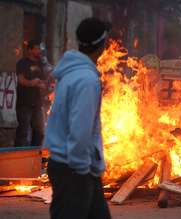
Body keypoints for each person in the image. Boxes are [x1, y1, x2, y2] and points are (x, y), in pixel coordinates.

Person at [44, 18, 112, 219]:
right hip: (75, 169)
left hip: (77, 168)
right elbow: (80, 130)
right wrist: (81, 170)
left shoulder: (72, 73)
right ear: (101, 45)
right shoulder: (86, 79)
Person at [15, 40, 47, 146]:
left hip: (37, 104)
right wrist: (32, 83)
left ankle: (35, 156)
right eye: (36, 48)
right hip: (24, 103)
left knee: (39, 131)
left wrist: (42, 84)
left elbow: (43, 81)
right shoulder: (22, 63)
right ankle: (19, 157)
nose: (39, 51)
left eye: (39, 48)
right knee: (23, 132)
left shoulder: (41, 64)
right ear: (29, 50)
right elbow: (20, 79)